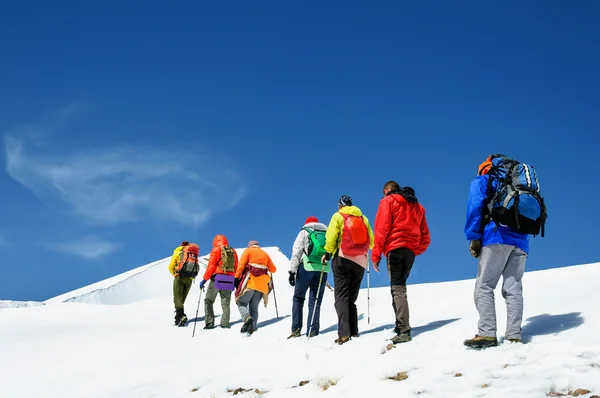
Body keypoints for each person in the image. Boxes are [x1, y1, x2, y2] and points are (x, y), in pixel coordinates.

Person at [463, 156, 530, 348]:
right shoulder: (519, 185)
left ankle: (487, 333)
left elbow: (475, 207)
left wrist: (474, 237)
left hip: (496, 236)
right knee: (513, 288)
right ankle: (514, 335)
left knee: (484, 286)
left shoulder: (484, 180)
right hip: (521, 241)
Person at [371, 181, 431, 344]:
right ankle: (399, 325)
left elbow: (381, 229)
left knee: (397, 288)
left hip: (395, 248)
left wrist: (376, 255)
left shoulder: (387, 201)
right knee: (399, 287)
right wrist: (414, 249)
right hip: (409, 251)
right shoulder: (417, 206)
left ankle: (404, 329)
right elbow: (425, 236)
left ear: (386, 190)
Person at [322, 195, 374, 345]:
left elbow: (331, 236)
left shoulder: (338, 216)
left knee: (341, 297)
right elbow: (371, 241)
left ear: (340, 206)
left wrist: (327, 252)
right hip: (360, 262)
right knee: (351, 298)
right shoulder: (363, 218)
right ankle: (354, 331)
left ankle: (344, 334)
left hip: (342, 258)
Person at [288, 216, 329, 339]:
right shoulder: (326, 233)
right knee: (315, 300)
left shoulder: (304, 232)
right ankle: (313, 329)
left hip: (306, 267)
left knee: (298, 298)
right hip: (322, 268)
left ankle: (296, 329)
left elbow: (297, 251)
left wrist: (292, 271)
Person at [234, 240, 277, 334]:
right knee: (254, 308)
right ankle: (252, 327)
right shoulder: (265, 254)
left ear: (250, 246)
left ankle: (247, 318)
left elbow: (241, 265)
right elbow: (273, 269)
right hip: (262, 286)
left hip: (251, 282)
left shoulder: (248, 251)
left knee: (242, 303)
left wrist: (236, 278)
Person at [198, 234, 239, 329]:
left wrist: (204, 279)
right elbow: (236, 266)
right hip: (229, 280)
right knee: (226, 302)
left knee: (208, 301)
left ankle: (209, 323)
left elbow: (211, 266)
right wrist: (235, 280)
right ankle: (225, 324)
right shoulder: (233, 251)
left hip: (217, 278)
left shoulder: (216, 250)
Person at [168, 241, 198, 326]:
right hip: (190, 278)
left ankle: (181, 315)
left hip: (180, 276)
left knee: (177, 297)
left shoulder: (178, 252)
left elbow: (170, 267)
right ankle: (179, 317)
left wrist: (175, 274)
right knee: (182, 298)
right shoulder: (193, 254)